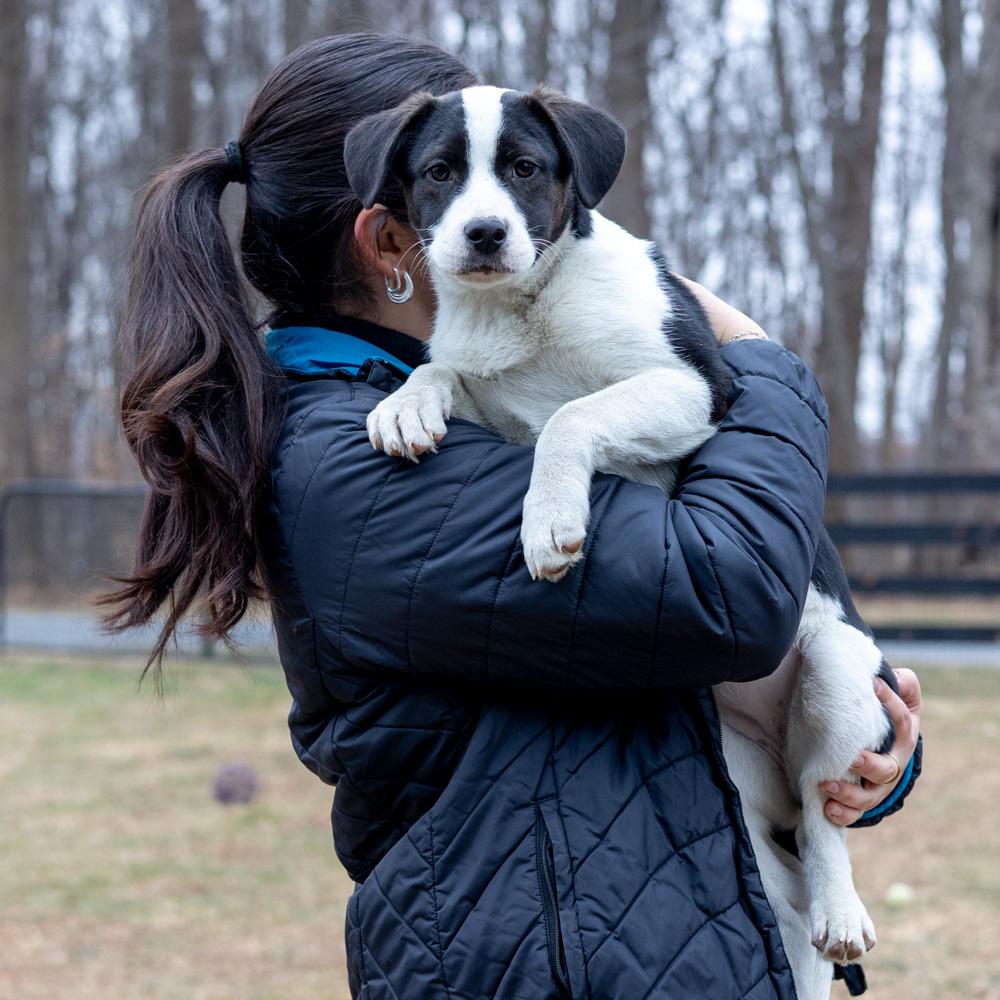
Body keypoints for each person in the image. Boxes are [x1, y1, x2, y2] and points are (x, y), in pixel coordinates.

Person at [106, 33, 922, 1000]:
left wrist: (870, 753)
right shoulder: (359, 465)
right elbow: (727, 593)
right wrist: (759, 357)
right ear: (391, 232)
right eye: (446, 173)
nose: (490, 206)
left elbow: (769, 589)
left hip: (667, 928)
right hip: (561, 964)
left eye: (520, 169)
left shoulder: (450, 391)